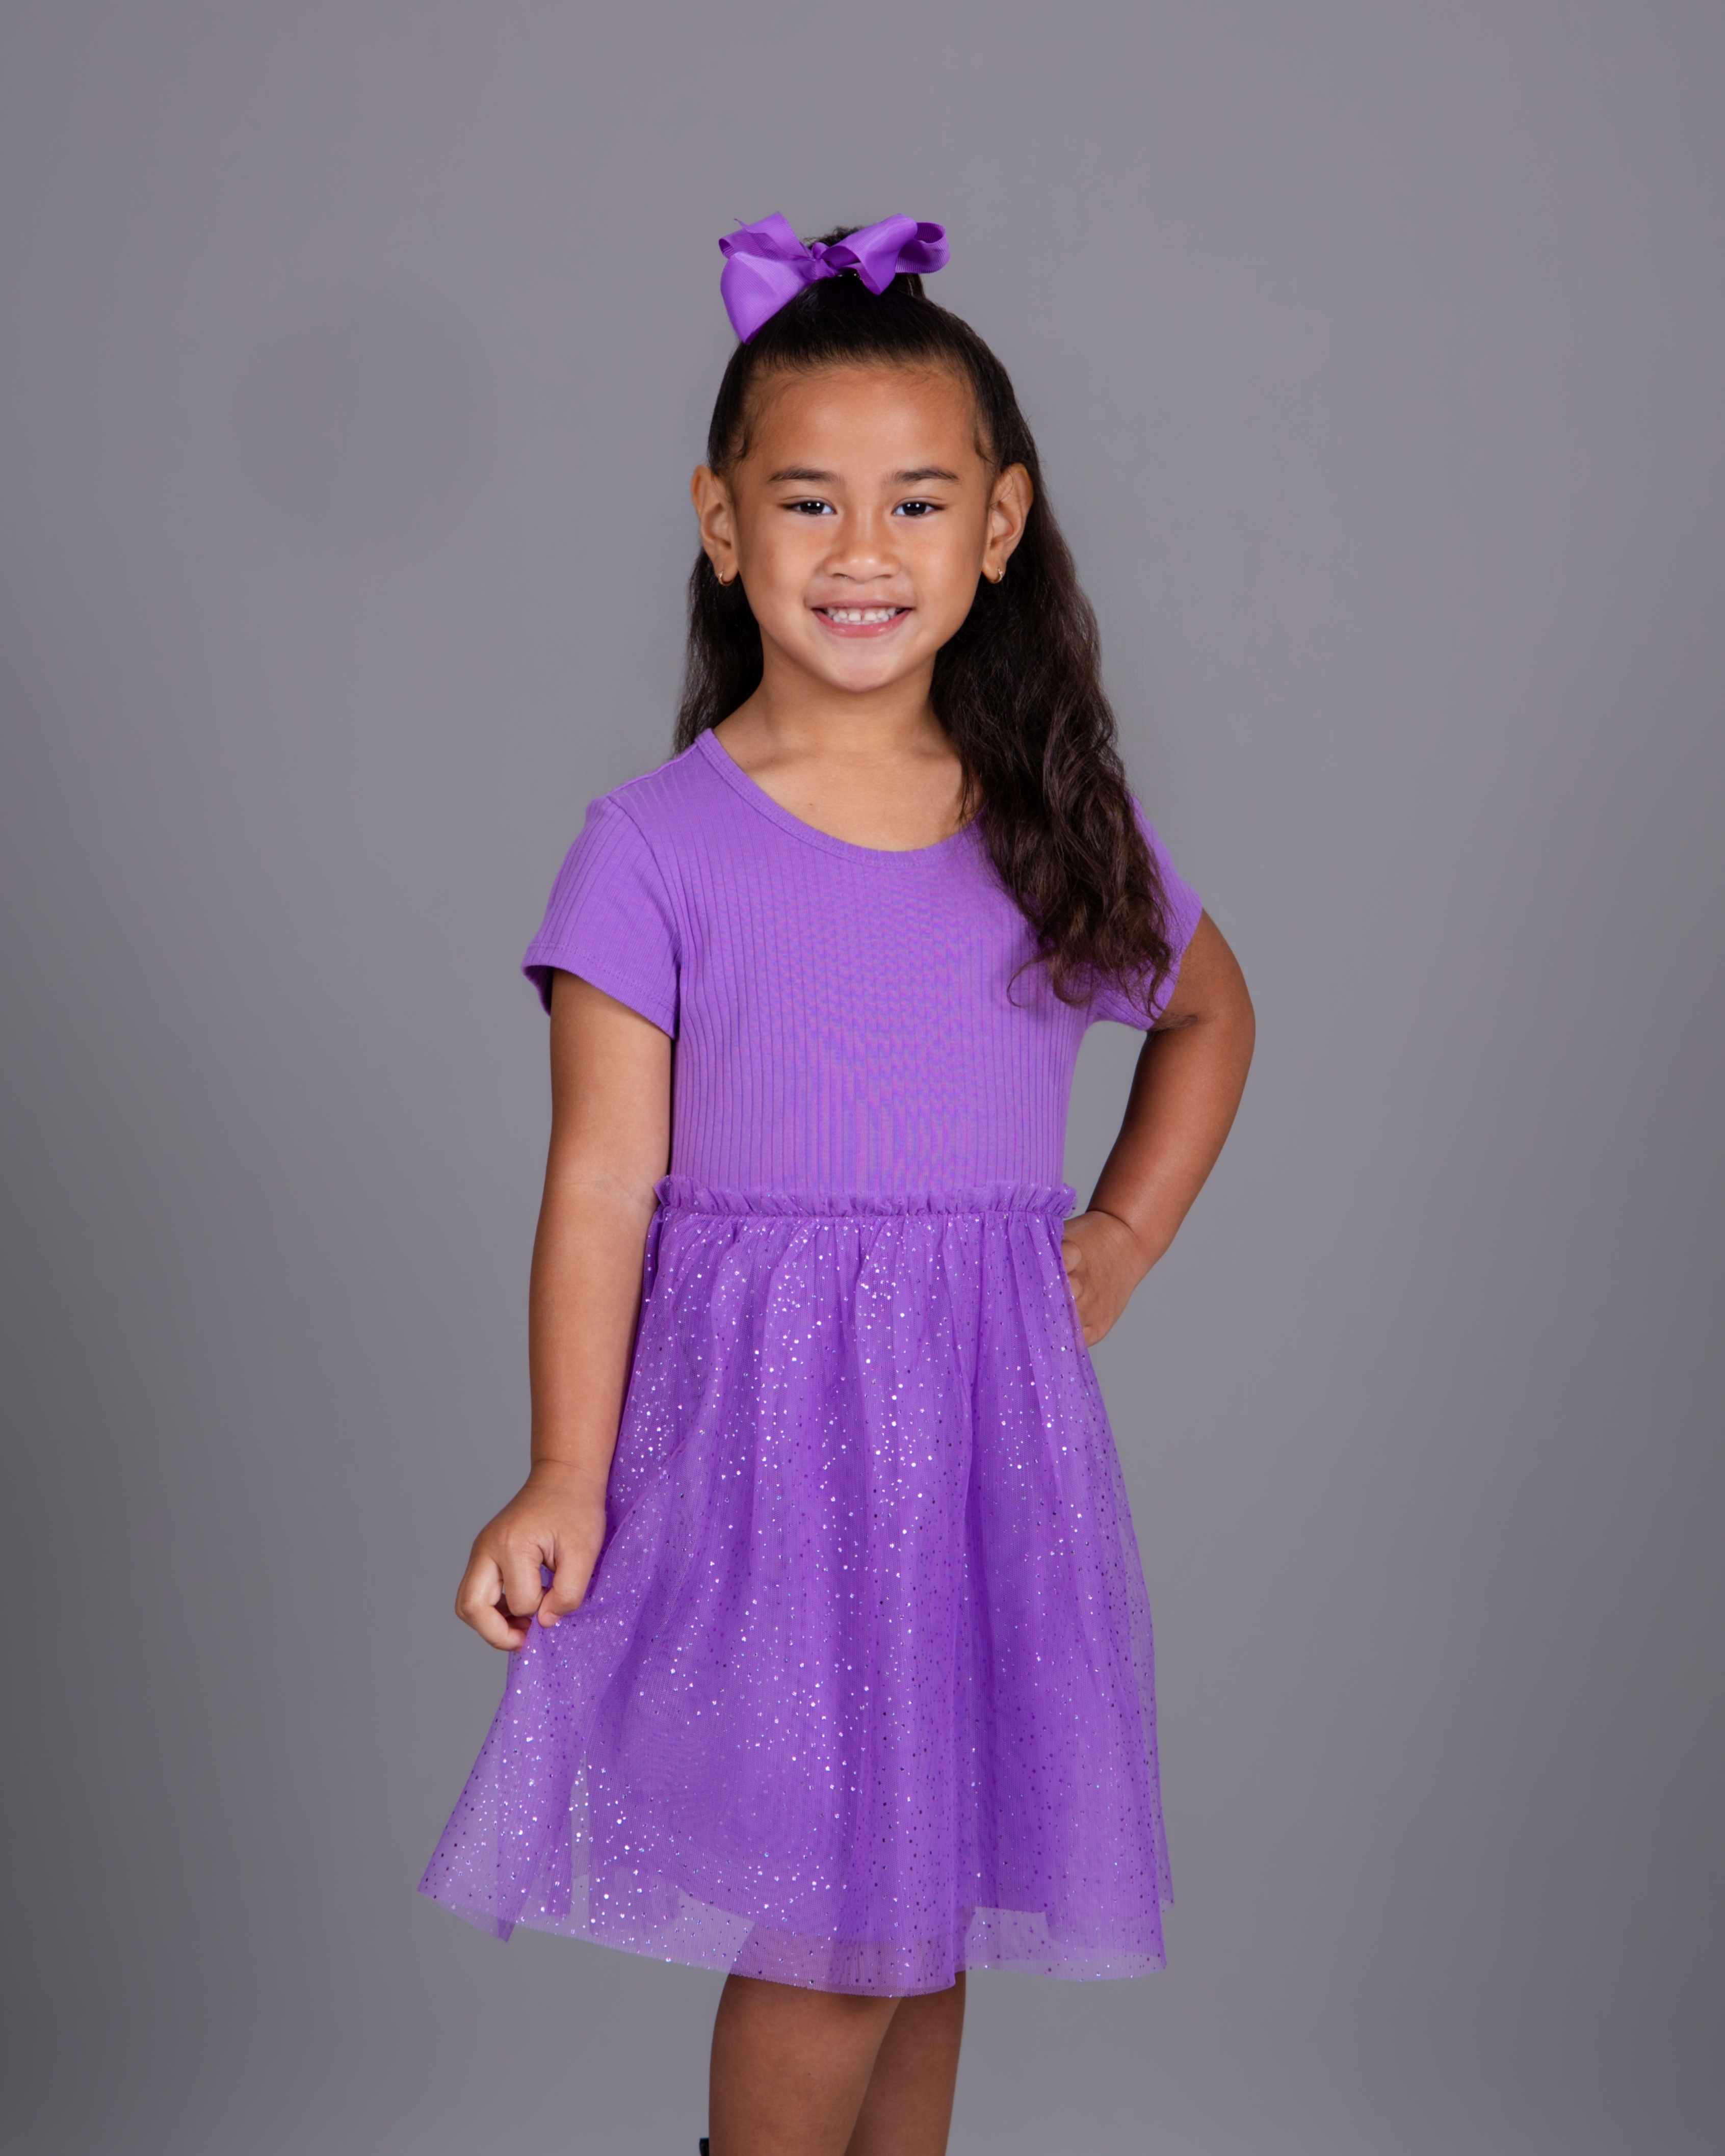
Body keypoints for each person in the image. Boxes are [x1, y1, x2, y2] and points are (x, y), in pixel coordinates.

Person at [419, 214, 1256, 2156]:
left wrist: (1118, 1238)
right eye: (809, 501)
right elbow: (599, 1182)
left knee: (920, 1906)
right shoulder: (653, 847)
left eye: (916, 502)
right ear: (722, 526)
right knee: (828, 1923)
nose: (862, 549)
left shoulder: (1049, 826)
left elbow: (1211, 1016)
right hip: (761, 1445)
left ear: (999, 525)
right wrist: (562, 1472)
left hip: (976, 1436)